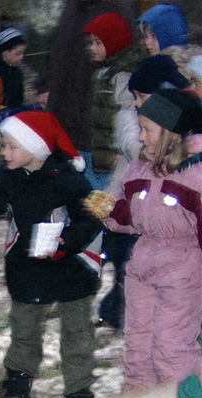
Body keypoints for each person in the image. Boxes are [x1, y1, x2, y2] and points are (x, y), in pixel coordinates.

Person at [0, 111, 103, 398]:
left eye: (11, 146)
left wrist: (65, 244)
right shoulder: (8, 176)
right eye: (3, 146)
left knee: (76, 334)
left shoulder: (67, 179)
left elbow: (89, 218)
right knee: (24, 333)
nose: (3, 152)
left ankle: (79, 396)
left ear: (35, 148)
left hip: (70, 269)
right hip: (28, 269)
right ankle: (16, 393)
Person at [88, 89, 202, 389]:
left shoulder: (195, 174)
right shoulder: (140, 169)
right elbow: (128, 214)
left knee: (172, 349)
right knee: (138, 348)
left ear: (171, 134)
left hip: (184, 270)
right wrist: (109, 211)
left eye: (147, 130)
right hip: (142, 267)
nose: (140, 137)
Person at [82, 12, 144, 331]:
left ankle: (120, 309)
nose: (91, 47)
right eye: (90, 42)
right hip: (105, 169)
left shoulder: (122, 78)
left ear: (115, 42)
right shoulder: (105, 74)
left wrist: (118, 170)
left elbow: (126, 126)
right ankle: (114, 307)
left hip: (119, 173)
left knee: (121, 248)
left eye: (97, 42)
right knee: (112, 244)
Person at [0, 27, 29, 113]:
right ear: (4, 52)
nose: (21, 57)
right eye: (17, 53)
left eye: (22, 53)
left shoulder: (16, 73)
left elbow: (18, 100)